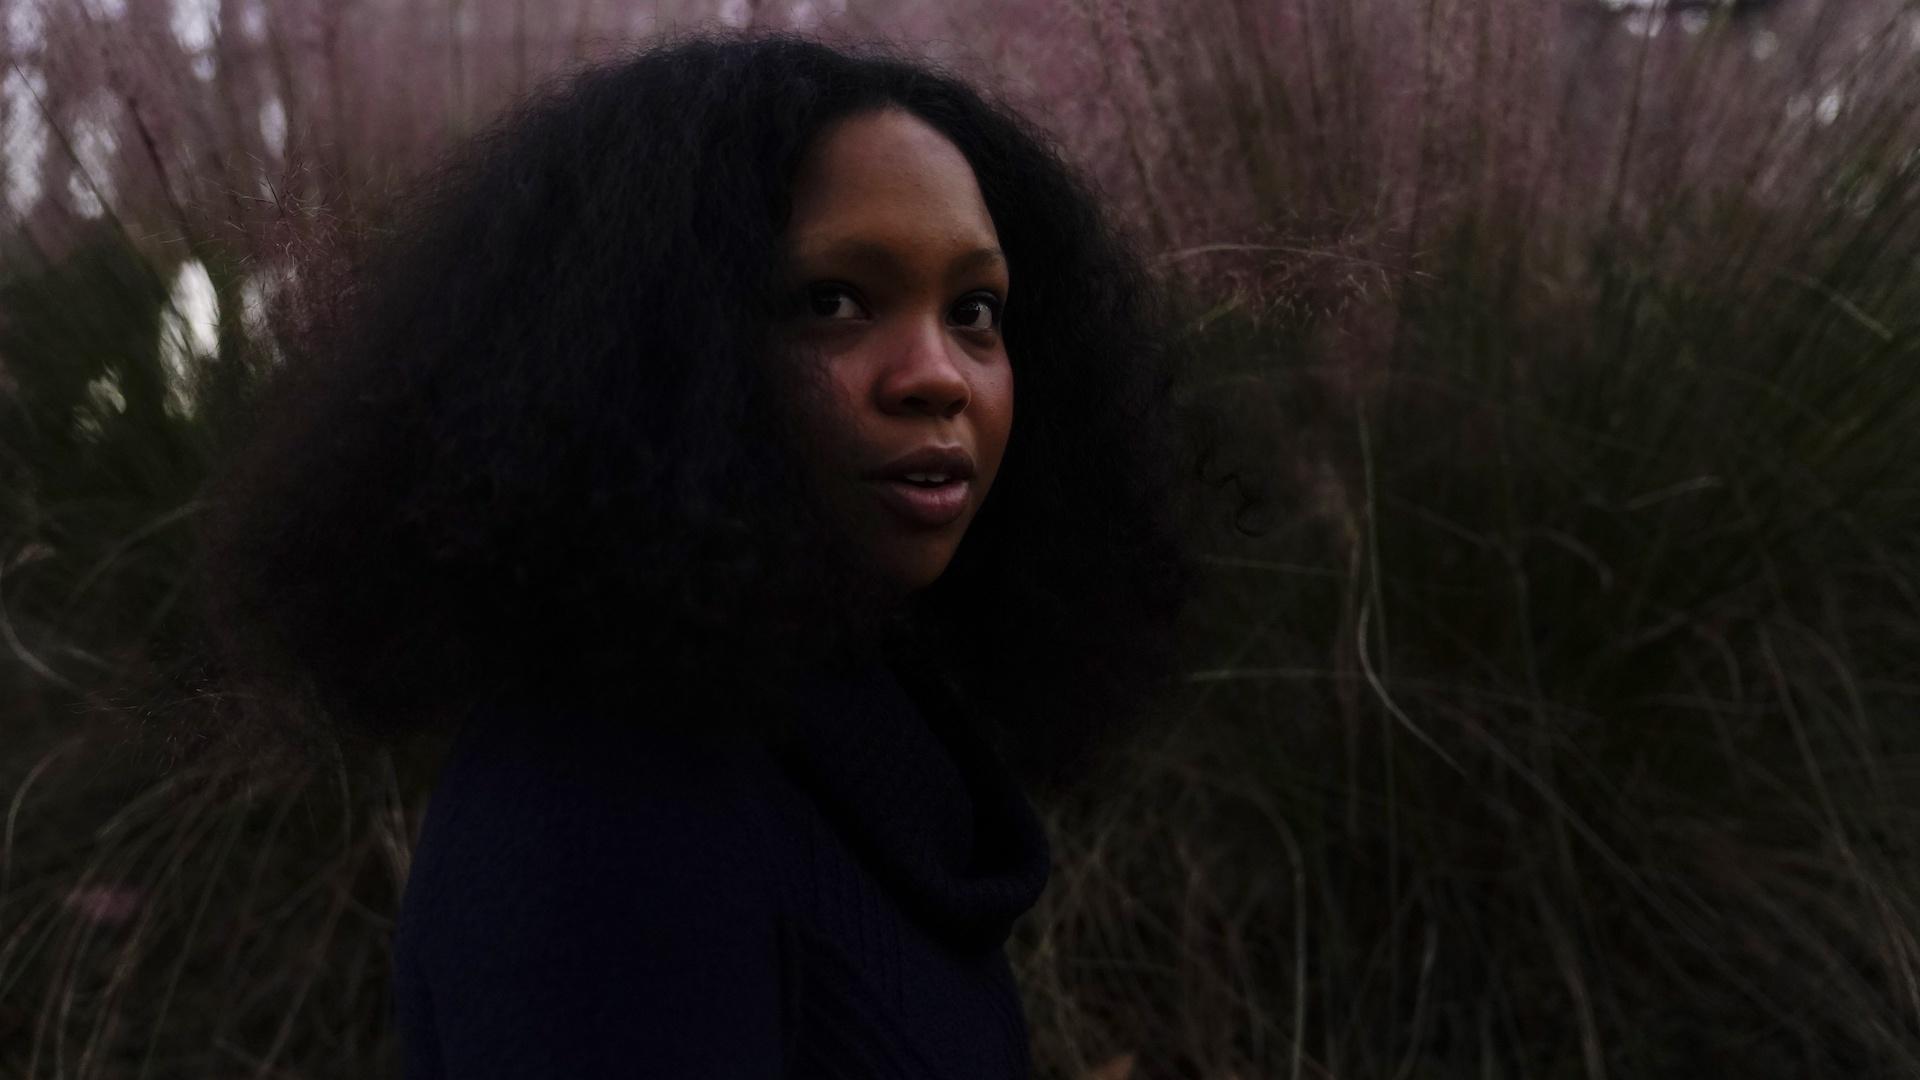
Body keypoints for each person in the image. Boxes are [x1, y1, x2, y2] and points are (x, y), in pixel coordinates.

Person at [193, 28, 1198, 1079]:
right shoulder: (599, 808)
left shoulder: (864, 737)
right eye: (834, 301)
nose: (937, 375)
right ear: (655, 353)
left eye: (975, 311)